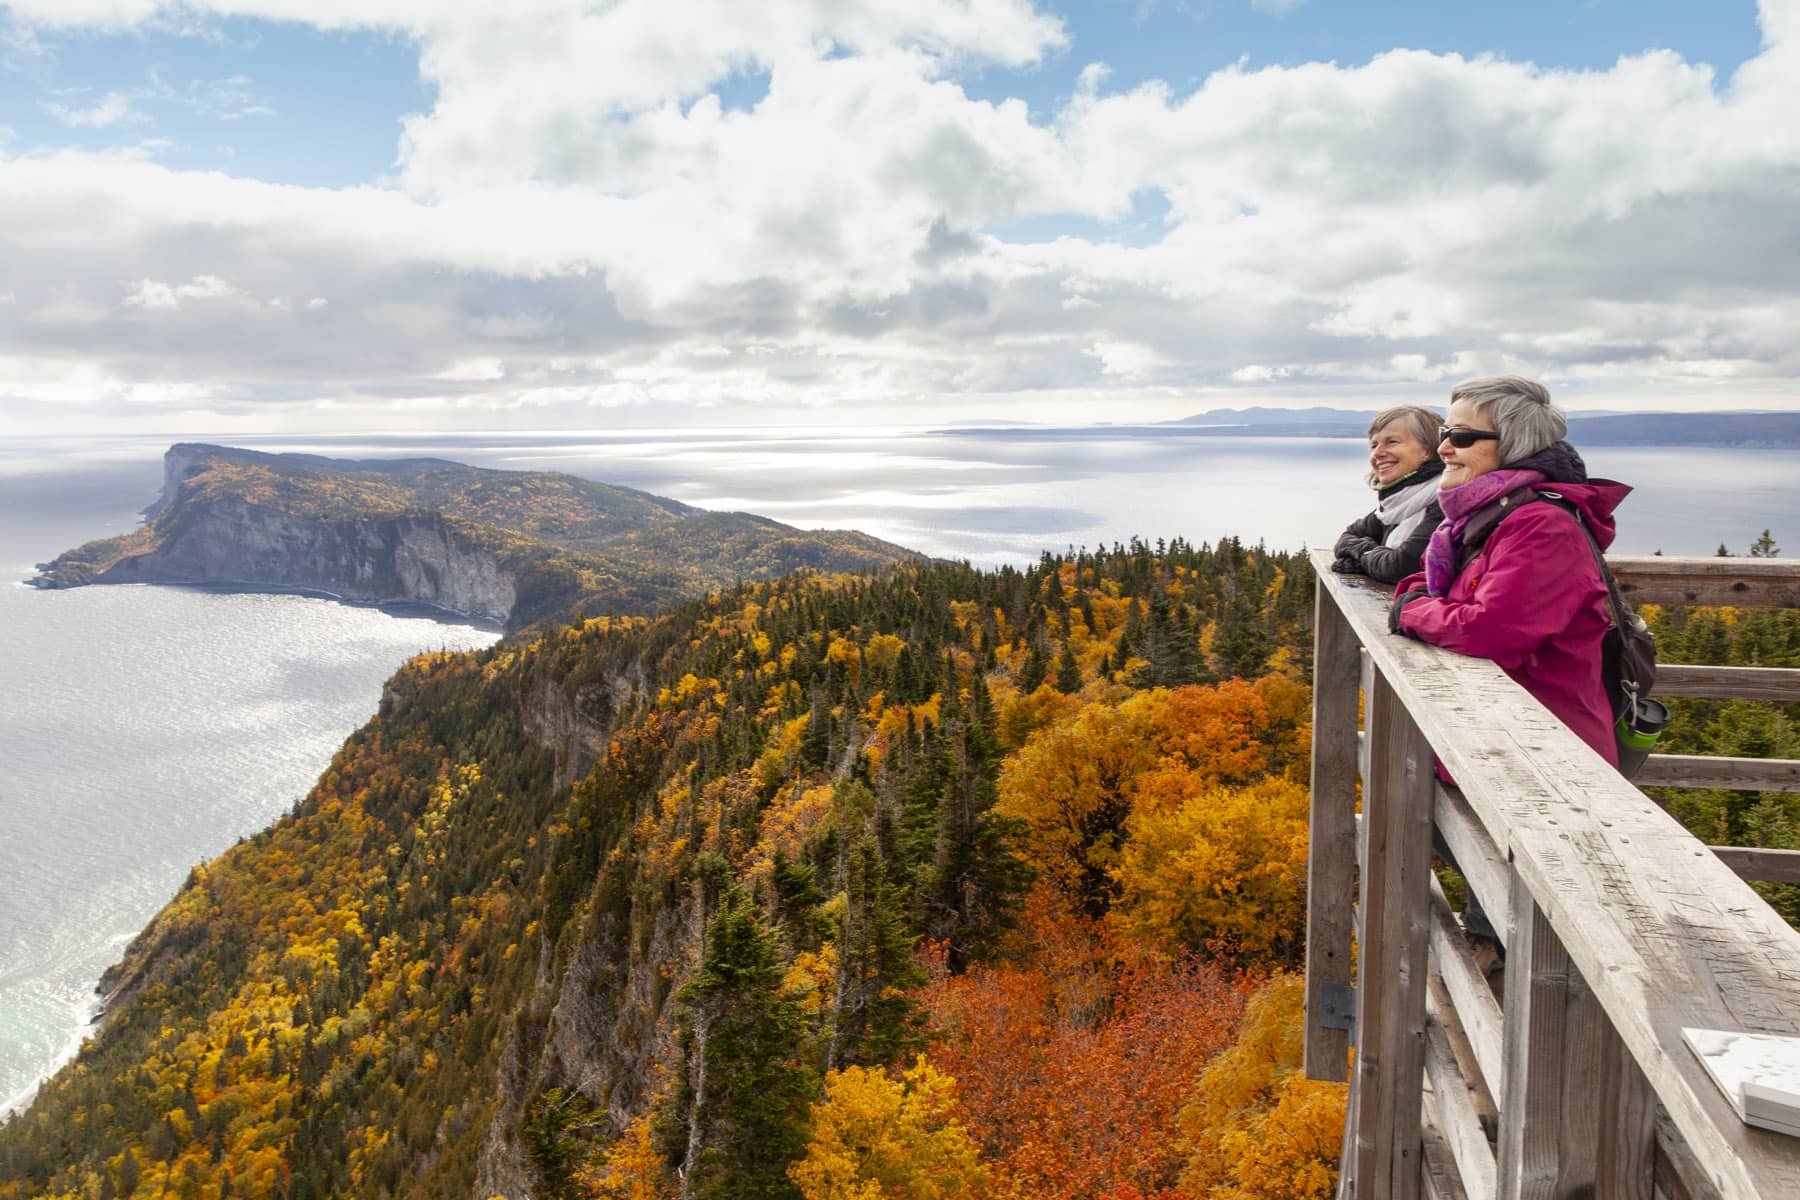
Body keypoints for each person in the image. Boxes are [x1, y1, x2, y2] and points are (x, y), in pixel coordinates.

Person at [1388, 376, 1629, 767]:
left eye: (1462, 437)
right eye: (1444, 433)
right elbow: (1432, 588)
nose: (1444, 448)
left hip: (1549, 759)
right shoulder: (1487, 516)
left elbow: (1492, 631)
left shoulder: (1543, 527)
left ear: (1516, 442)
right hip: (1496, 745)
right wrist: (1419, 603)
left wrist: (1411, 611)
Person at [1333, 406, 1444, 583]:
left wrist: (1363, 553)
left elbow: (1402, 566)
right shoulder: (1395, 504)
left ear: (1428, 449)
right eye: (1374, 445)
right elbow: (1346, 538)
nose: (1378, 453)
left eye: (1392, 442)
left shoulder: (1445, 500)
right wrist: (1373, 556)